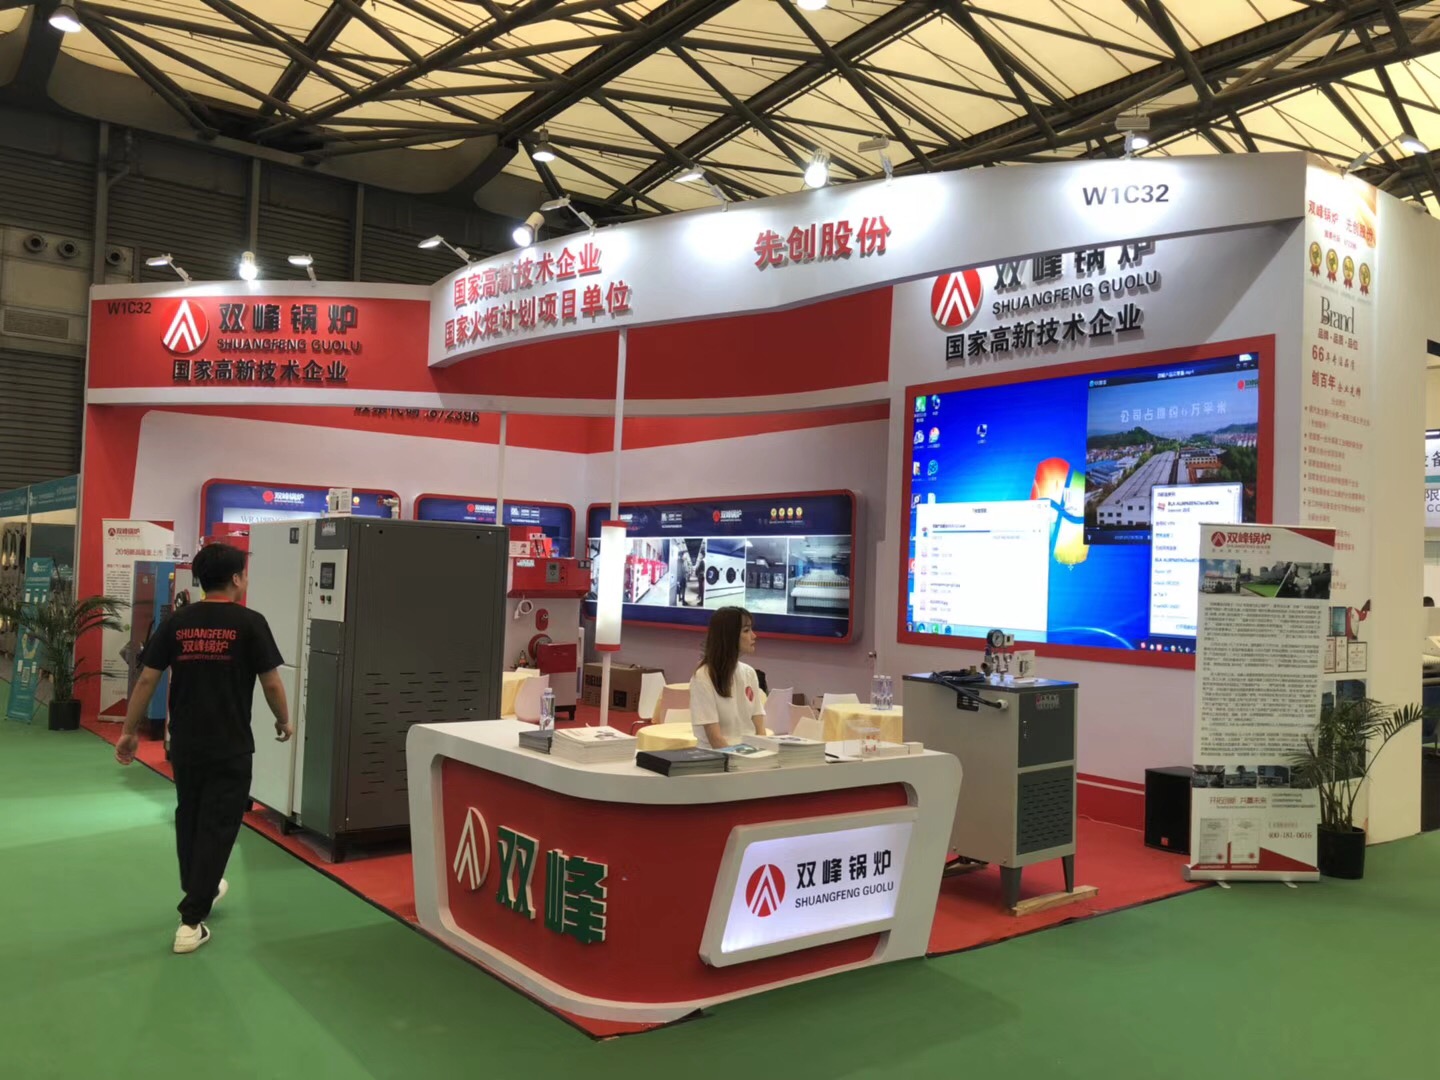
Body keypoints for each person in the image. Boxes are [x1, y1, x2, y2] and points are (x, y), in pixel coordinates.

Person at [116, 542, 291, 955]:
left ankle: (201, 887)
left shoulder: (178, 622)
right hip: (231, 745)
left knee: (190, 817)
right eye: (245, 573)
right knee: (219, 825)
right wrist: (283, 719)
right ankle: (191, 920)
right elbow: (270, 681)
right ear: (236, 578)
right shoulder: (250, 623)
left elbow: (147, 678)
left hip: (187, 744)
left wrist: (128, 731)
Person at [689, 605, 766, 749]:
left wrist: (763, 754)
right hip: (717, 756)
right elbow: (715, 739)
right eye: (746, 630)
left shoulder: (749, 673)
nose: (754, 636)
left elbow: (760, 727)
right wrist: (738, 760)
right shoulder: (703, 677)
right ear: (729, 636)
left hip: (749, 753)